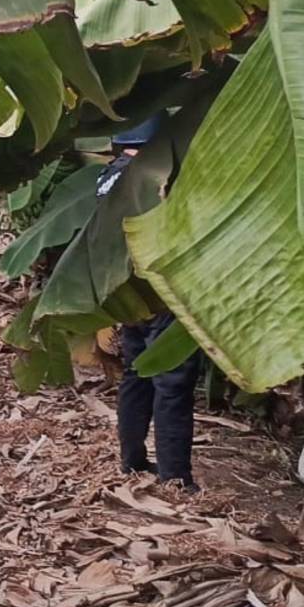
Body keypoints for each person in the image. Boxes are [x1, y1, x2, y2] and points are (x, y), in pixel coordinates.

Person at [101, 116, 200, 491]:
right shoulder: (162, 180)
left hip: (129, 294)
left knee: (136, 375)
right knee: (172, 383)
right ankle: (176, 476)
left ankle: (131, 460)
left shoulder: (109, 178)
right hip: (165, 290)